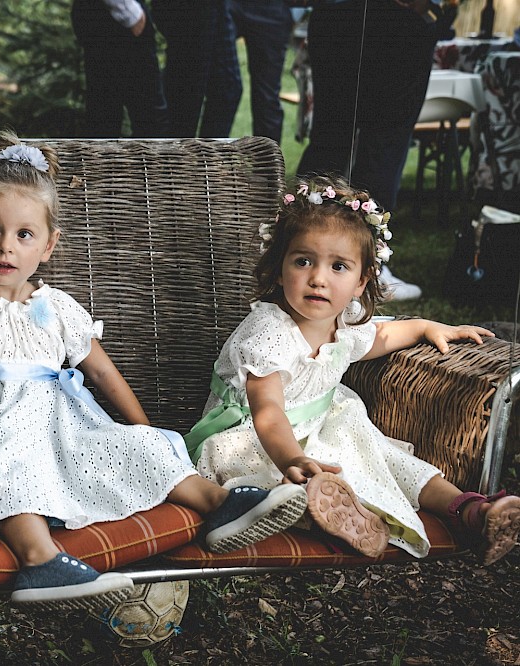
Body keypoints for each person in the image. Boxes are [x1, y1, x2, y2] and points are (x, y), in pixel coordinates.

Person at [0, 129, 310, 613]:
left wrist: (143, 427)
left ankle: (216, 504)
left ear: (49, 246)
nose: (6, 247)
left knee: (135, 445)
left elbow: (102, 374)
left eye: (24, 234)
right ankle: (39, 560)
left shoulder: (58, 307)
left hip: (64, 428)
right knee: (13, 453)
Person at [189, 175, 520, 563]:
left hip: (324, 424)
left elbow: (380, 337)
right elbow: (268, 413)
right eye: (303, 261)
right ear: (279, 270)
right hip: (258, 441)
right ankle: (334, 513)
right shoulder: (268, 333)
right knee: (282, 483)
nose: (318, 278)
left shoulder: (344, 323)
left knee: (391, 460)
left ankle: (471, 510)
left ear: (362, 281)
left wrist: (429, 327)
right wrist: (292, 458)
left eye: (339, 267)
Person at [294, 0, 458, 301]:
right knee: (384, 140)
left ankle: (298, 251)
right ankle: (369, 265)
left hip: (336, 16)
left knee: (332, 134)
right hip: (398, 20)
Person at [71, 0, 170, 137]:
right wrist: (130, 13)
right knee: (151, 123)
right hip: (118, 20)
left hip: (105, 15)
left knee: (104, 118)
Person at [152, 0, 239, 138]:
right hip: (188, 10)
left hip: (215, 6)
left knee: (227, 89)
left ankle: (207, 157)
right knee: (186, 100)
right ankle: (177, 156)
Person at [210, 0, 294, 144]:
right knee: (224, 89)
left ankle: (267, 163)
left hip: (273, 10)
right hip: (228, 5)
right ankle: (207, 160)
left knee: (267, 100)